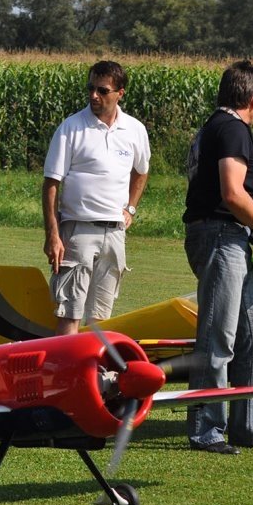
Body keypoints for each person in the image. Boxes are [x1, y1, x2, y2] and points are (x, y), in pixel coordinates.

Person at [182, 60, 253, 454]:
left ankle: (249, 427)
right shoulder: (233, 128)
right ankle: (206, 429)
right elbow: (231, 192)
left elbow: (225, 193)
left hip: (227, 235)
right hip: (219, 237)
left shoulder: (217, 126)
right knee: (218, 338)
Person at [42, 60, 151, 334]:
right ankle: (66, 376)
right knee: (70, 313)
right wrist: (53, 236)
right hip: (77, 230)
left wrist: (131, 209)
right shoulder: (71, 127)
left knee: (101, 318)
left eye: (102, 90)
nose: (94, 96)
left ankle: (93, 375)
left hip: (115, 233)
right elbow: (51, 184)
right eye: (91, 88)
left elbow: (142, 171)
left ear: (120, 93)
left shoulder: (135, 129)